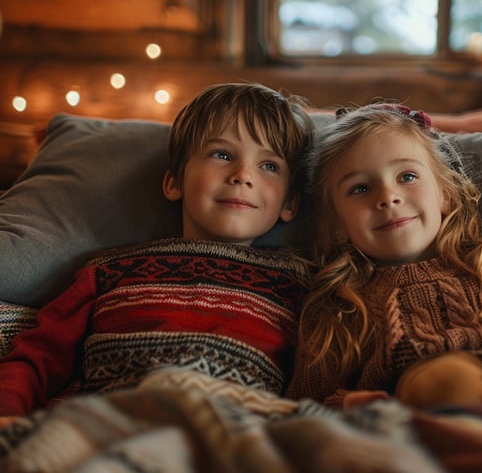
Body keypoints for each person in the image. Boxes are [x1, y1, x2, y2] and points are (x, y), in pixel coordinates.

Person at [0, 82, 314, 417]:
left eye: (269, 166)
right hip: (111, 424)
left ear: (290, 203)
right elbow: (38, 357)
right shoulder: (109, 271)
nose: (242, 175)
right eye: (221, 154)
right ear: (174, 182)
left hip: (231, 435)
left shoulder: (297, 283)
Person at [286, 102, 482, 411]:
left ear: (446, 194)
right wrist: (351, 404)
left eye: (407, 177)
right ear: (337, 226)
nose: (388, 197)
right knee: (443, 380)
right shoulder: (339, 304)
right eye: (359, 188)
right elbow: (306, 403)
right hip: (429, 411)